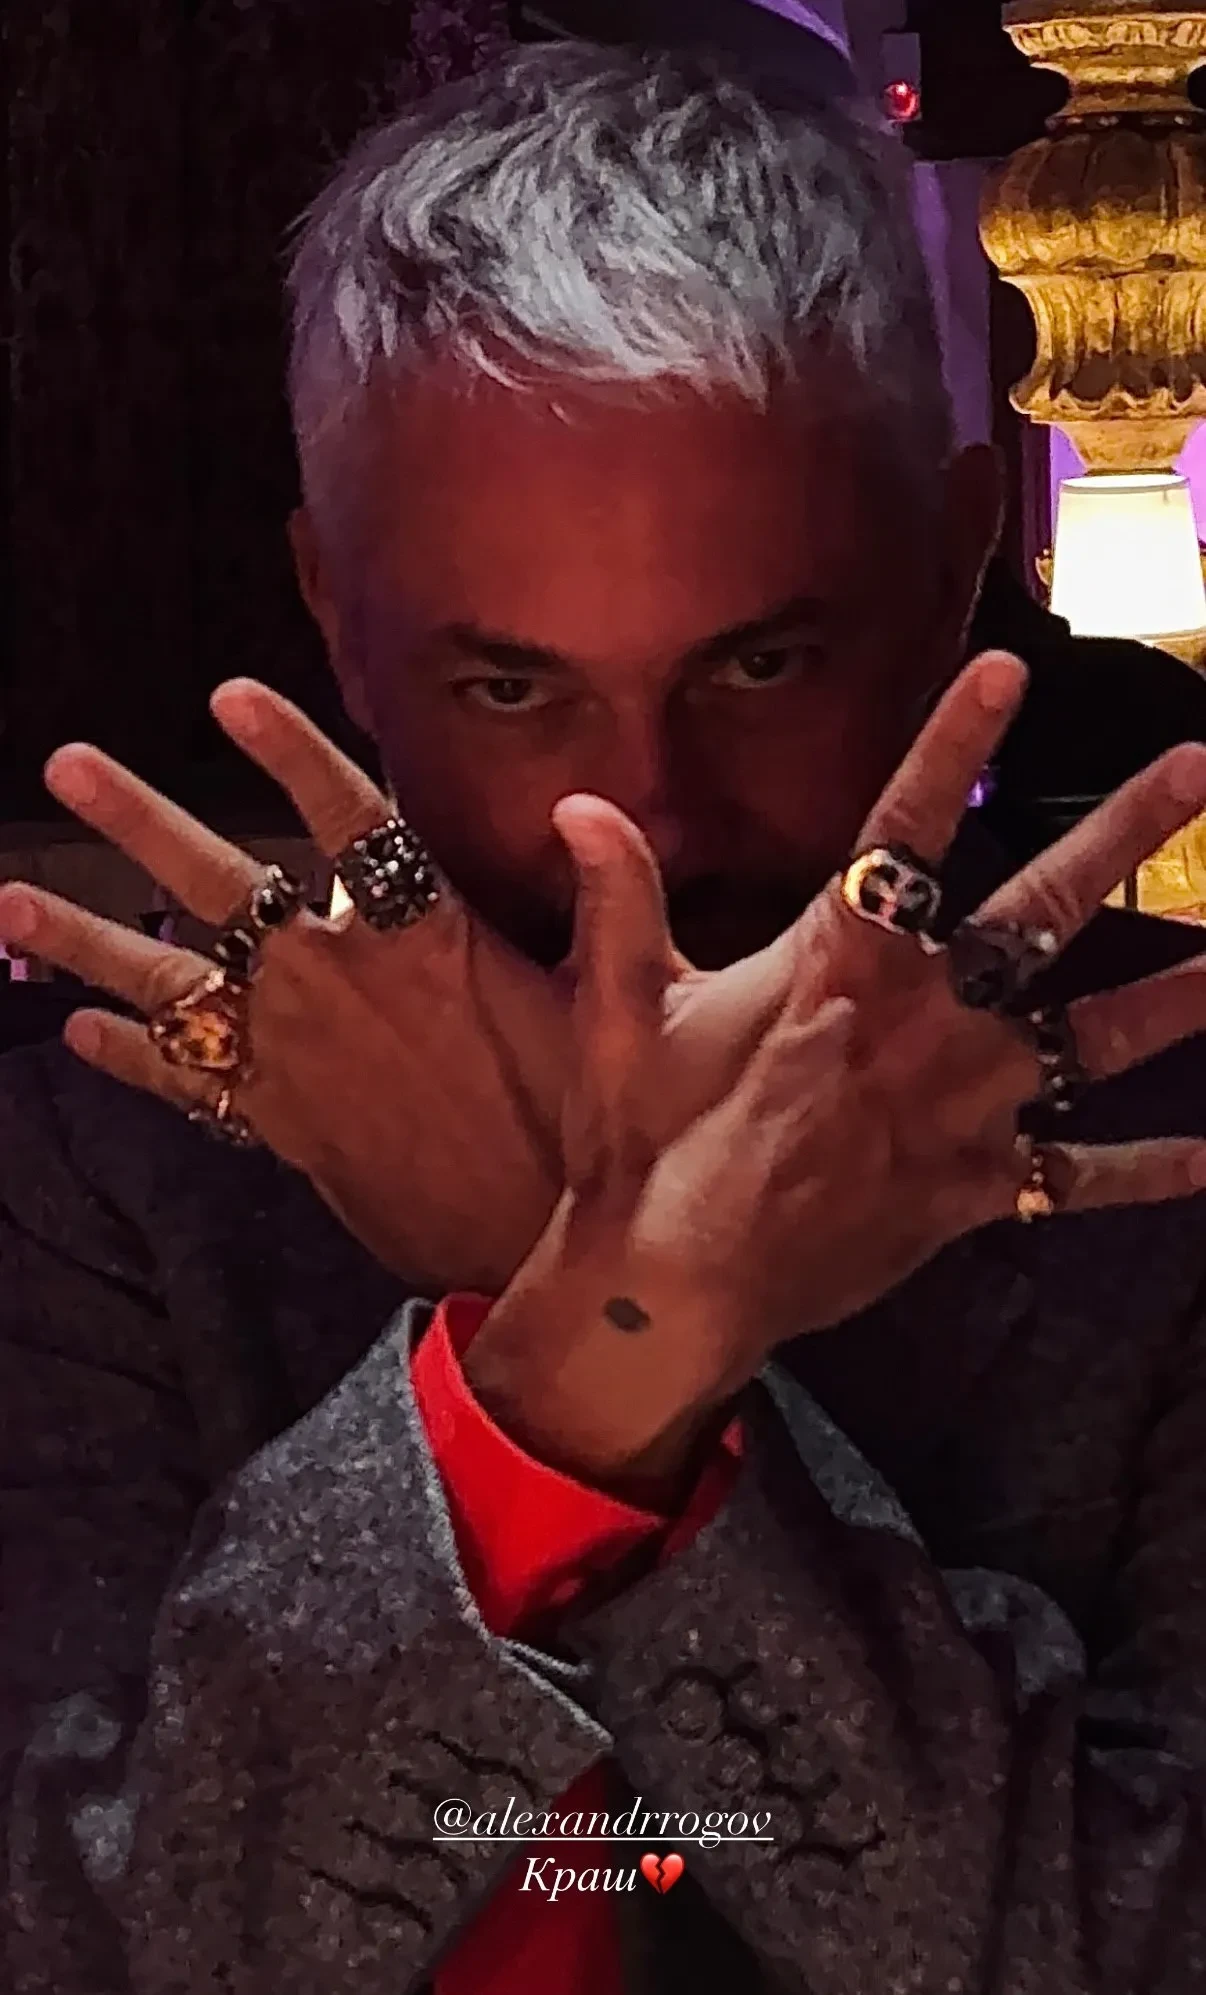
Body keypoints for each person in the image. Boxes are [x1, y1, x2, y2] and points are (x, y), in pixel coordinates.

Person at [2, 41, 1206, 1995]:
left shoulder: (1166, 1162)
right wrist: (598, 1342)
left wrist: (569, 1298)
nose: (643, 821)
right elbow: (104, 1944)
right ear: (333, 610)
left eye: (761, 662)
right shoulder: (95, 1178)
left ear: (954, 560)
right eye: (510, 689)